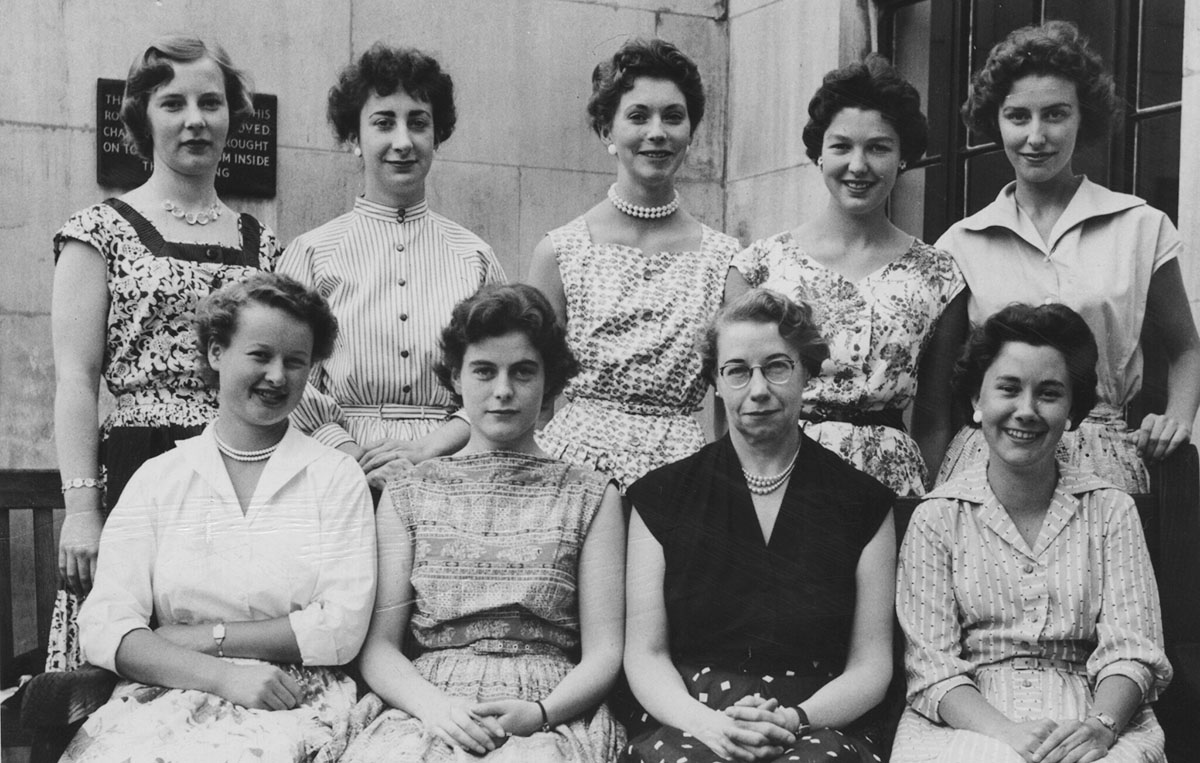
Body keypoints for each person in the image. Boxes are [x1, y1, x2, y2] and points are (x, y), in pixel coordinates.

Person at [60, 273, 377, 762]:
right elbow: (106, 625)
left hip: (296, 697)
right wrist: (223, 675)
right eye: (260, 355)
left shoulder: (335, 477)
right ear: (215, 353)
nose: (278, 376)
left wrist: (200, 637)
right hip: (169, 690)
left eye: (296, 361)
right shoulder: (160, 479)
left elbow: (340, 628)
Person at [48, 35, 279, 672]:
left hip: (239, 464)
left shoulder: (264, 245)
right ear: (143, 118)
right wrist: (81, 510)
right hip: (137, 461)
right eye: (173, 104)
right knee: (131, 646)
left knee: (223, 645)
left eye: (211, 102)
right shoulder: (98, 232)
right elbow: (76, 379)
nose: (194, 120)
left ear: (231, 114)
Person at [341, 284, 626, 762]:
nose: (503, 390)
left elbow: (604, 653)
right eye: (484, 371)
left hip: (547, 708)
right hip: (427, 702)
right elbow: (380, 648)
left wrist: (541, 712)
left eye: (523, 371)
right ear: (456, 377)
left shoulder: (591, 494)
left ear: (549, 381)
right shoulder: (410, 491)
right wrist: (435, 709)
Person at [623, 289, 896, 763]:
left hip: (819, 720)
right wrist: (709, 726)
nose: (758, 389)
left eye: (777, 367)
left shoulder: (862, 502)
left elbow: (871, 665)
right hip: (690, 717)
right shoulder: (661, 497)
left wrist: (794, 719)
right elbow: (645, 654)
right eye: (737, 371)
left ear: (806, 372)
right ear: (715, 381)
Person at [893, 303, 1172, 763]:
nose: (1026, 411)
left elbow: (1133, 649)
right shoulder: (938, 517)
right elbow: (932, 666)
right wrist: (1008, 735)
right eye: (1008, 389)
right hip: (968, 718)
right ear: (977, 400)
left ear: (1071, 410)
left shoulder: (1110, 510)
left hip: (1094, 714)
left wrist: (1100, 728)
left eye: (1048, 394)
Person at [935, 21, 1200, 493]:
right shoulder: (960, 243)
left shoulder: (1139, 225)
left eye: (1055, 114)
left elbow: (1187, 348)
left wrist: (1177, 419)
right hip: (996, 458)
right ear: (997, 121)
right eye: (1018, 116)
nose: (1036, 136)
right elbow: (941, 388)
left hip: (1102, 456)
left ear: (1083, 117)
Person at [727, 56, 966, 497]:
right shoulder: (760, 266)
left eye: (878, 148)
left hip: (890, 484)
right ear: (819, 154)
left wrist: (926, 505)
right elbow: (732, 401)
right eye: (841, 147)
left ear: (903, 158)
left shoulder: (938, 275)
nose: (858, 165)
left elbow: (934, 418)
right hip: (779, 474)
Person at [280, 43, 505, 491]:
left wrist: (433, 446)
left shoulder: (474, 256)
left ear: (436, 137)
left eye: (418, 123)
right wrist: (349, 456)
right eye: (383, 123)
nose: (403, 142)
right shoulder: (312, 253)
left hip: (453, 465)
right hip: (335, 469)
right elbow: (284, 370)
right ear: (354, 138)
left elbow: (503, 370)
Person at [528, 38, 741, 490]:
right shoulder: (560, 252)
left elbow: (733, 408)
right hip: (574, 475)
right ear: (607, 130)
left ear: (691, 131)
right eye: (638, 116)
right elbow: (537, 402)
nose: (657, 132)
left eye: (673, 116)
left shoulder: (725, 261)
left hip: (683, 478)